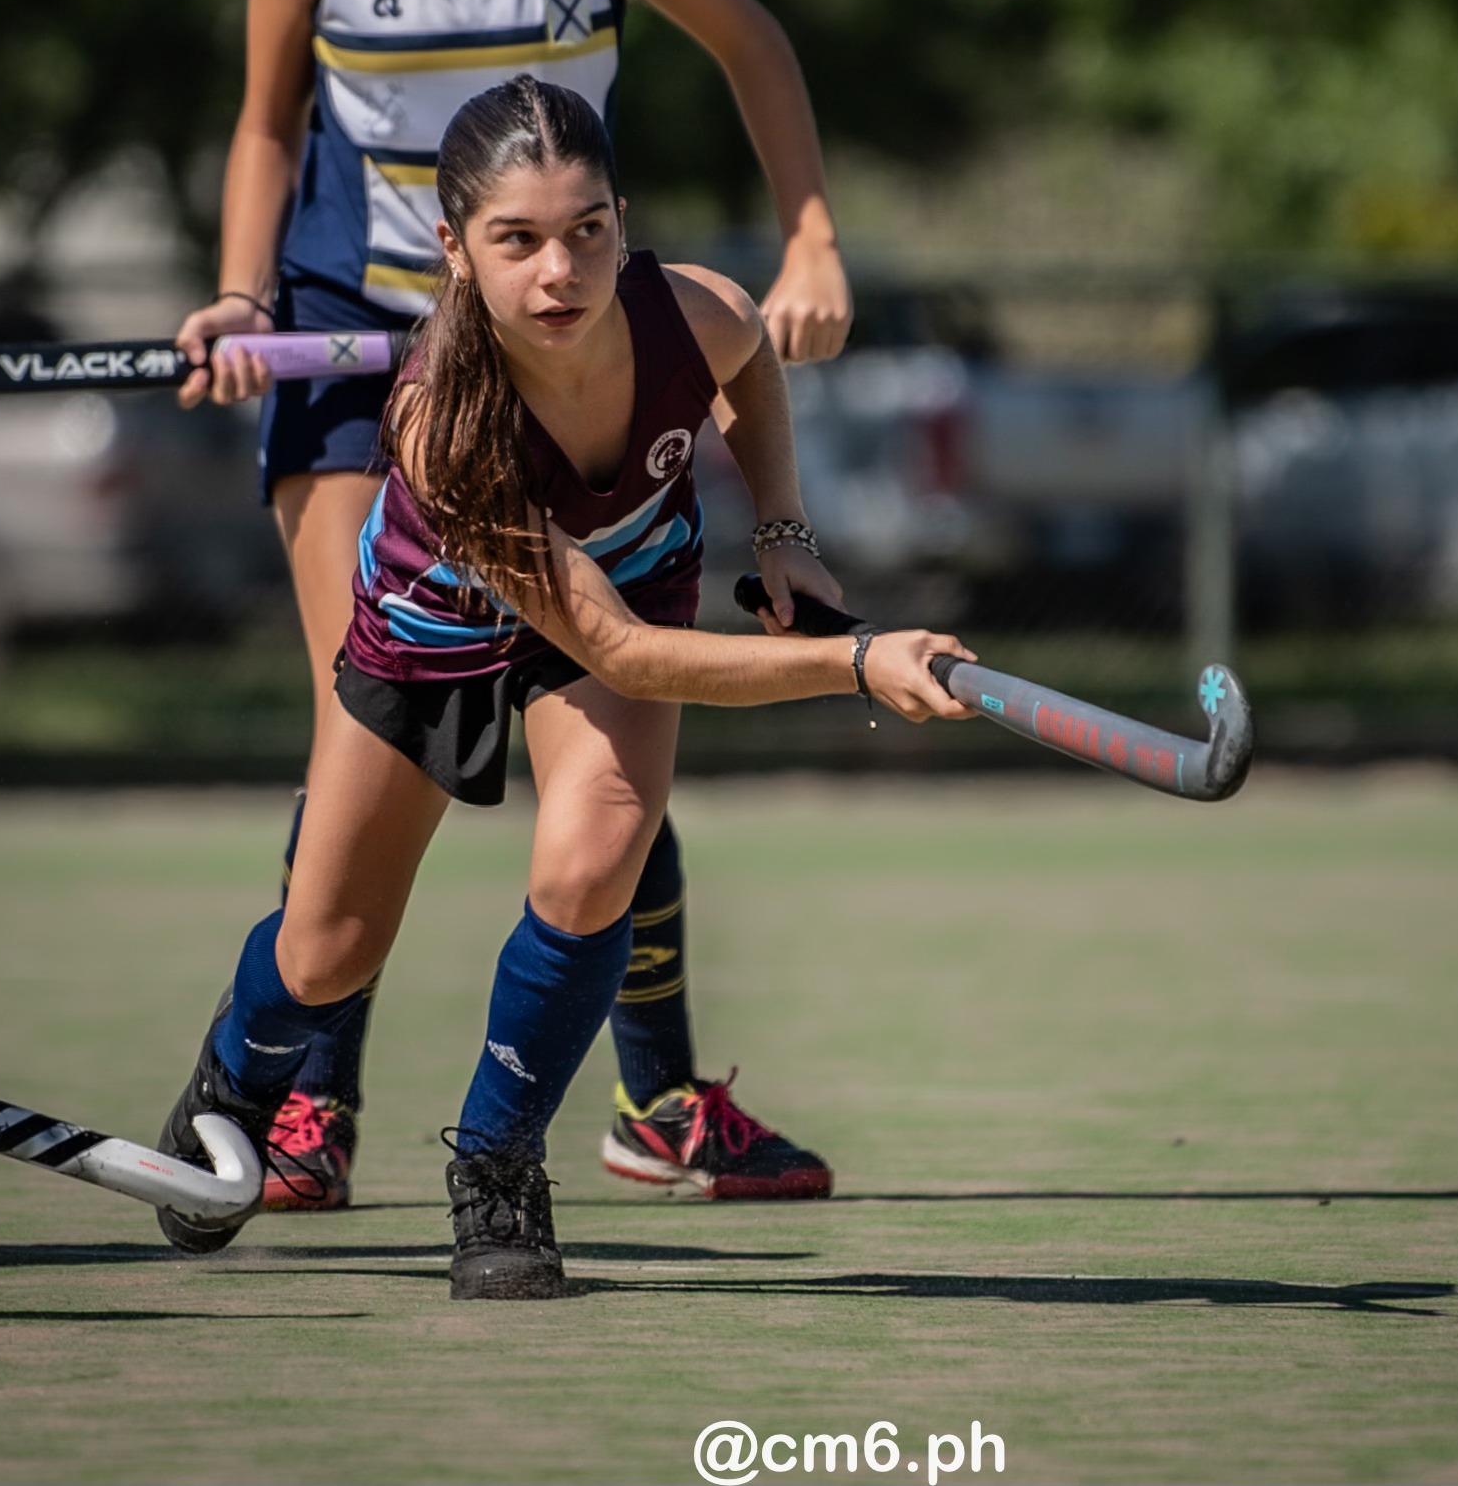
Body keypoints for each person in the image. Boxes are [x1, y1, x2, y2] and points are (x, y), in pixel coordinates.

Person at [172, 0, 856, 1209]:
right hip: (370, 368)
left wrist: (811, 237)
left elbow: (754, 39)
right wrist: (241, 290)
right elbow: (268, 125)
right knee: (371, 711)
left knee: (605, 738)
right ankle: (304, 1100)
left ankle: (658, 1100)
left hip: (572, 349)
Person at [157, 78, 972, 1300]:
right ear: (454, 248)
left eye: (587, 228)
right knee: (328, 952)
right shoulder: (443, 418)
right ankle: (236, 1073)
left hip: (627, 583)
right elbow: (626, 657)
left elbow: (750, 367)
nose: (560, 271)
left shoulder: (692, 312)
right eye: (518, 239)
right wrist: (856, 661)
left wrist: (783, 530)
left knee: (597, 859)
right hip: (437, 624)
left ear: (622, 221)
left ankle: (495, 1169)